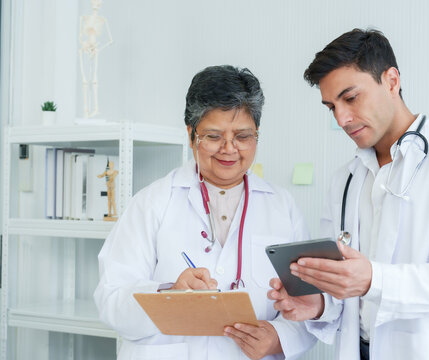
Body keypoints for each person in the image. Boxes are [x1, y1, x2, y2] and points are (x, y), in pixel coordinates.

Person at [268, 29, 429, 360]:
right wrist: (317, 303)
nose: (342, 119)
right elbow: (347, 284)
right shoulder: (345, 179)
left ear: (391, 81)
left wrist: (375, 279)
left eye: (350, 98)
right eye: (331, 107)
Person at [94, 65, 316, 360]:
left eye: (242, 136)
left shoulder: (282, 207)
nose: (229, 149)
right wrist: (169, 293)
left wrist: (278, 338)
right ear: (191, 135)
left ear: (256, 135)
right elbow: (111, 301)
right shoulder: (152, 202)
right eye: (213, 136)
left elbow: (312, 305)